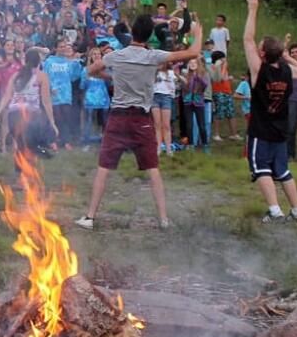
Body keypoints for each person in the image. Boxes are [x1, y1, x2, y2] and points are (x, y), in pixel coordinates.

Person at [77, 14, 203, 230]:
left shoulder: (116, 56)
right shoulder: (153, 56)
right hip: (141, 119)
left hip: (118, 117)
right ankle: (163, 219)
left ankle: (89, 217)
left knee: (103, 168)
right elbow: (193, 53)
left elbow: (89, 70)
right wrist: (198, 33)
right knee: (152, 168)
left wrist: (111, 78)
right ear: (149, 36)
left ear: (132, 32)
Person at [242, 0, 297, 223]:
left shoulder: (260, 71)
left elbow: (248, 39)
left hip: (261, 130)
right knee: (283, 170)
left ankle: (275, 210)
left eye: (260, 48)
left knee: (261, 169)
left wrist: (253, 8)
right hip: (281, 129)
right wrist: (287, 56)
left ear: (262, 54)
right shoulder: (288, 72)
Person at [0, 47, 59, 158]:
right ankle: (41, 152)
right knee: (32, 142)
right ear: (39, 61)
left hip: (13, 115)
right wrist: (52, 122)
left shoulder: (16, 75)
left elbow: (7, 96)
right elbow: (46, 101)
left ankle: (21, 171)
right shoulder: (42, 76)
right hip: (31, 115)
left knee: (21, 145)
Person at [152, 62, 178, 156]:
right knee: (157, 124)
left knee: (166, 125)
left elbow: (173, 87)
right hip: (155, 97)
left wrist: (171, 94)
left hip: (166, 97)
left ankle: (168, 148)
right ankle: (158, 148)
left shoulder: (170, 73)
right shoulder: (153, 72)